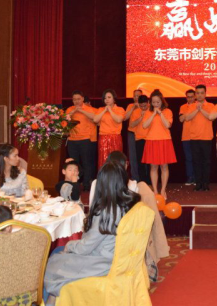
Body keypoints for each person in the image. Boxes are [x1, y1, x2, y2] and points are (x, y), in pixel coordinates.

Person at [43, 161, 141, 302]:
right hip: (119, 256)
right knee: (58, 256)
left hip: (102, 260)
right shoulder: (129, 203)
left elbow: (86, 247)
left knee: (52, 262)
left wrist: (69, 245)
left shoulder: (107, 211)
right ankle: (54, 300)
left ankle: (51, 301)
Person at [88, 151, 169, 281]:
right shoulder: (133, 185)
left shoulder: (97, 183)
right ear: (124, 166)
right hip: (126, 236)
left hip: (102, 237)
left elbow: (92, 209)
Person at [142, 89, 177, 199]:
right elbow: (144, 125)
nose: (156, 104)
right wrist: (153, 114)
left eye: (158, 102)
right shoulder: (148, 112)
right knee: (153, 167)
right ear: (150, 102)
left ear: (162, 101)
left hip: (164, 140)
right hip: (151, 140)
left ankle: (163, 190)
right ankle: (155, 191)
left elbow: (168, 125)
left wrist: (160, 113)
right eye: (153, 102)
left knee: (164, 166)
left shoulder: (168, 111)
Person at [184, 84, 215, 192]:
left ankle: (205, 184)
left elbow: (211, 117)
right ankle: (198, 184)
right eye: (197, 93)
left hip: (206, 138)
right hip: (194, 138)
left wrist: (201, 109)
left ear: (205, 94)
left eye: (202, 93)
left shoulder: (210, 105)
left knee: (206, 162)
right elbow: (187, 118)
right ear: (195, 95)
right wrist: (197, 109)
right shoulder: (192, 106)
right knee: (196, 162)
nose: (200, 95)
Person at [66, 90, 97, 189]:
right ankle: (75, 183)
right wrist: (74, 111)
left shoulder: (89, 109)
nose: (76, 101)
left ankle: (86, 184)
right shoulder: (70, 109)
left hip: (85, 139)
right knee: (74, 163)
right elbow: (65, 119)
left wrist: (81, 110)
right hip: (72, 140)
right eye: (74, 99)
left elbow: (95, 117)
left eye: (78, 99)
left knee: (86, 162)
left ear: (83, 99)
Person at [93, 89, 126, 169]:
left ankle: (117, 176)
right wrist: (105, 110)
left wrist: (110, 110)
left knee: (116, 160)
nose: (106, 99)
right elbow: (95, 120)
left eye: (109, 97)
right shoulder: (101, 109)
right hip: (103, 138)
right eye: (105, 98)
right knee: (104, 160)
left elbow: (119, 120)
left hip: (115, 137)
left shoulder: (120, 109)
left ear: (114, 99)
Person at [129, 95, 151, 184]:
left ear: (148, 103)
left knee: (150, 162)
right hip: (139, 139)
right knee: (140, 162)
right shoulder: (136, 112)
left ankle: (150, 181)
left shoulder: (152, 111)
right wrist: (140, 118)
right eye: (141, 106)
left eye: (145, 106)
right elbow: (131, 125)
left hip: (150, 139)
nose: (143, 108)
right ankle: (142, 181)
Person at [124, 89, 143, 180]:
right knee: (133, 156)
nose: (136, 97)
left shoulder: (145, 106)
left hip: (143, 133)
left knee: (142, 156)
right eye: (135, 96)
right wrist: (133, 108)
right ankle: (135, 177)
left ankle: (144, 177)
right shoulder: (130, 106)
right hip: (132, 133)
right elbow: (125, 118)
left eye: (138, 96)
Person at [179, 89, 196, 185]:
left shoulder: (198, 106)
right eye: (188, 97)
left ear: (195, 97)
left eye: (192, 97)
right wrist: (188, 114)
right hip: (186, 136)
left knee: (196, 158)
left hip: (197, 136)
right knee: (188, 159)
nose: (190, 99)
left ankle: (197, 177)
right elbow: (181, 119)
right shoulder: (183, 107)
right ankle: (190, 177)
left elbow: (185, 117)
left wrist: (186, 115)